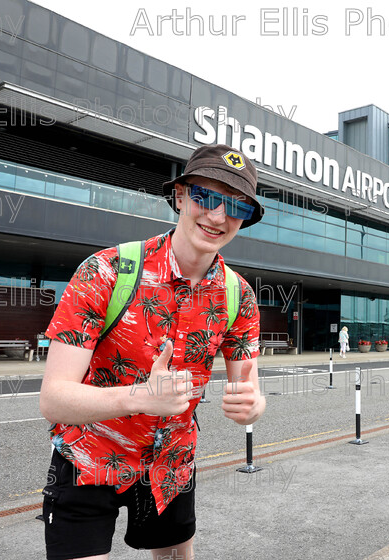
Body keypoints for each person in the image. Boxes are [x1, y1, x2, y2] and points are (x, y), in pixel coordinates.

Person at [39, 144, 266, 560]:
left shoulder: (239, 296)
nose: (217, 216)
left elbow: (249, 390)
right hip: (88, 460)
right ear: (180, 196)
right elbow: (53, 399)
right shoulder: (106, 271)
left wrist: (251, 407)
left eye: (235, 206)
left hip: (174, 466)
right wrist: (140, 397)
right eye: (206, 196)